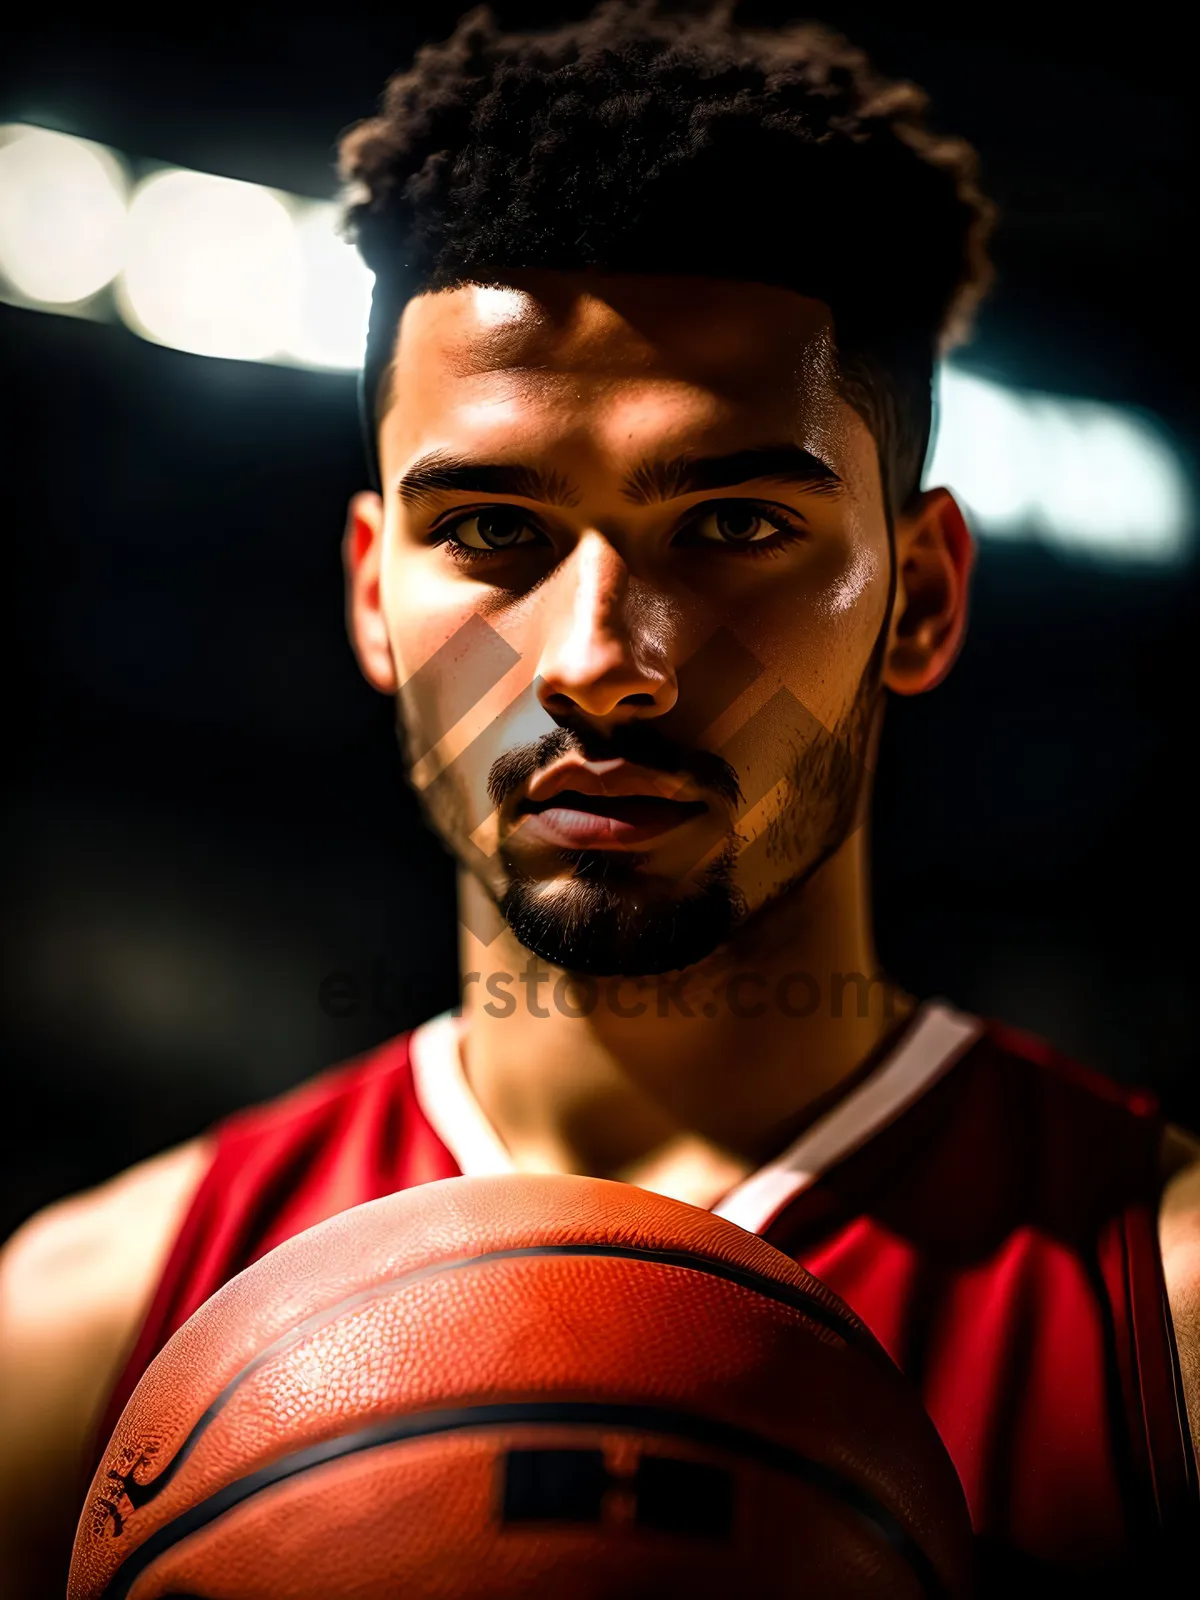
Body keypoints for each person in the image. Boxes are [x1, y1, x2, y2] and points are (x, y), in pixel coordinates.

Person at [2, 3, 1197, 1592]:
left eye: (736, 528)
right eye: (493, 530)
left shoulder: (1168, 1316)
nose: (599, 663)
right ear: (372, 595)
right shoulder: (81, 1334)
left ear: (918, 597)